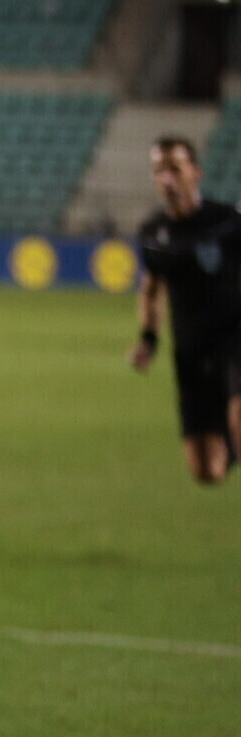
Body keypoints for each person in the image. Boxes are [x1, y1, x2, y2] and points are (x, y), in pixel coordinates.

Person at [129, 136, 241, 486]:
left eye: (175, 169)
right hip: (191, 349)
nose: (166, 179)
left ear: (196, 172)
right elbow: (151, 290)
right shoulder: (153, 234)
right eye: (159, 170)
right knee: (207, 471)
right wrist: (148, 339)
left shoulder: (228, 221)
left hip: (234, 338)